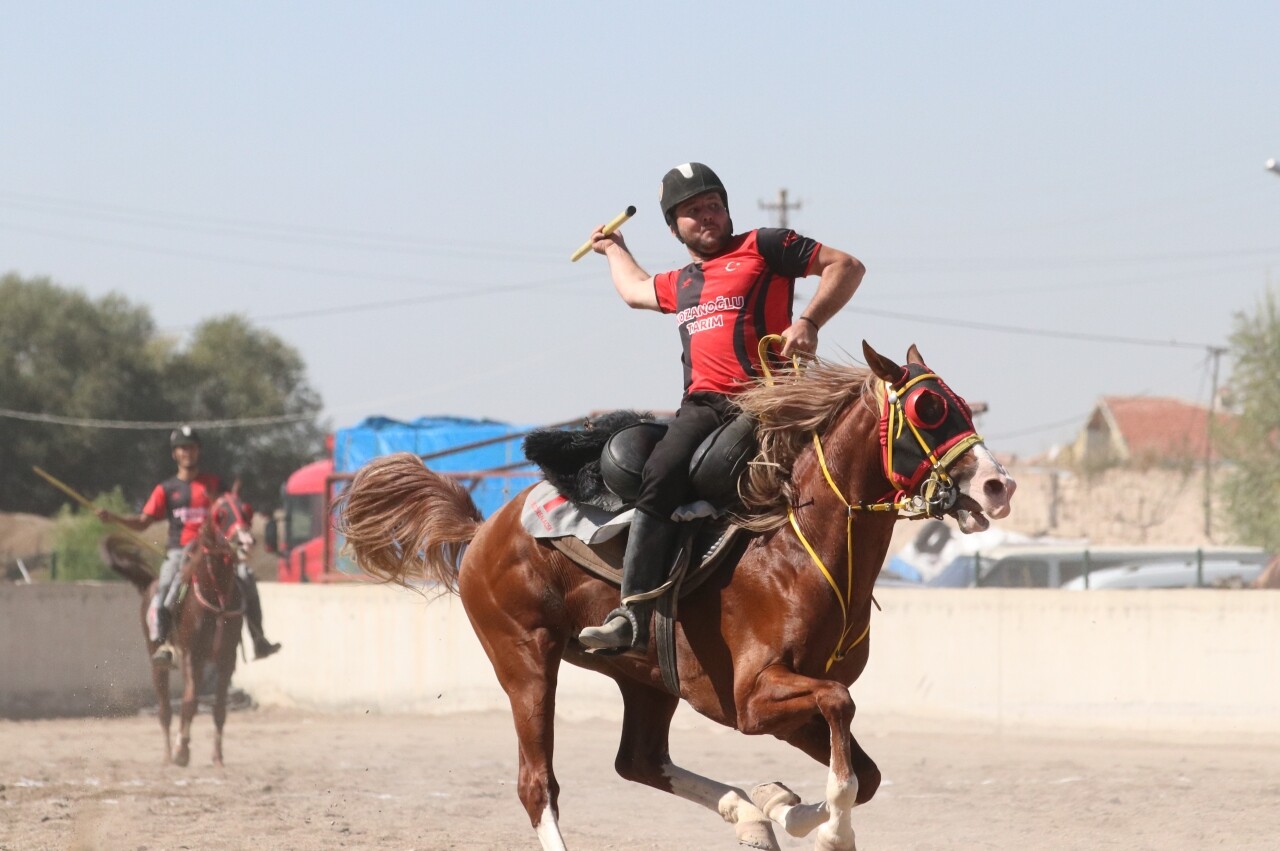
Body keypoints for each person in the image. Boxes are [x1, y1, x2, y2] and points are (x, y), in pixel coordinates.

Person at [577, 162, 866, 653]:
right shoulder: (681, 282)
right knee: (660, 469)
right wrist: (613, 248)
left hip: (767, 400)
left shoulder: (765, 246)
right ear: (674, 228)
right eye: (693, 211)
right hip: (702, 406)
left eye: (714, 205)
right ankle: (633, 614)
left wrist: (809, 322)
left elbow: (847, 266)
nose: (707, 215)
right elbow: (635, 290)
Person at [97, 426, 282, 666]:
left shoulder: (214, 484)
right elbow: (143, 522)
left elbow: (233, 509)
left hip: (216, 550)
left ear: (198, 451)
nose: (188, 452)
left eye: (192, 447)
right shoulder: (165, 489)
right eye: (182, 448)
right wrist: (115, 518)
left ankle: (258, 638)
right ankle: (165, 643)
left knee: (246, 577)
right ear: (174, 453)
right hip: (180, 551)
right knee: (166, 585)